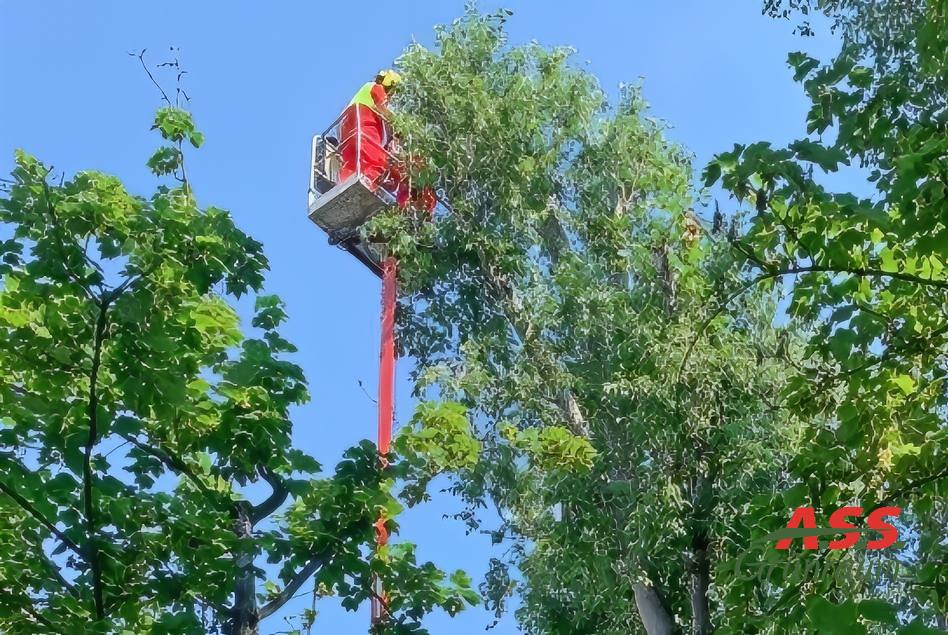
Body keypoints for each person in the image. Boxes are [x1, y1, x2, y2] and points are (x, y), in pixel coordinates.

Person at [337, 69, 400, 184]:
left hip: (347, 127)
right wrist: (399, 124)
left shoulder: (365, 90)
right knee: (374, 153)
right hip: (365, 120)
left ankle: (344, 183)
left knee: (351, 159)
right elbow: (382, 106)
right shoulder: (377, 88)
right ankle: (371, 179)